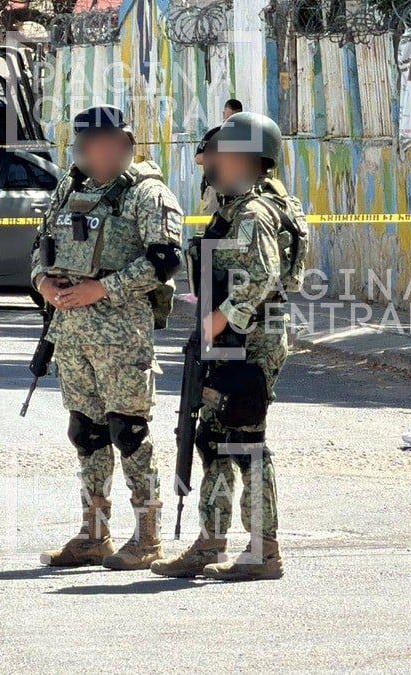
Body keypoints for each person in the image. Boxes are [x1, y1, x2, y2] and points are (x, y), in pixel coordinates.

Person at [152, 111, 306, 582]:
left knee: (246, 441)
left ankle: (264, 550)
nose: (207, 164)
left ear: (242, 158)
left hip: (251, 339)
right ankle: (211, 541)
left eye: (216, 156)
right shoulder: (233, 206)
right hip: (228, 336)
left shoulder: (254, 213)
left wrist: (217, 320)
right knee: (212, 438)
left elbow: (261, 279)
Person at [31, 105, 184, 570]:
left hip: (121, 333)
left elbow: (165, 259)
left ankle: (148, 537)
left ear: (120, 145)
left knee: (129, 431)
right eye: (78, 143)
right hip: (72, 332)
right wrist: (42, 282)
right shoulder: (72, 185)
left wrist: (103, 287)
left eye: (89, 144)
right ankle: (94, 534)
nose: (78, 152)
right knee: (86, 430)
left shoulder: (147, 195)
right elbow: (42, 243)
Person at [194, 126, 221, 216]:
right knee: (210, 224)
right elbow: (199, 158)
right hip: (215, 189)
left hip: (244, 188)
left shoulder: (249, 134)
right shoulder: (215, 133)